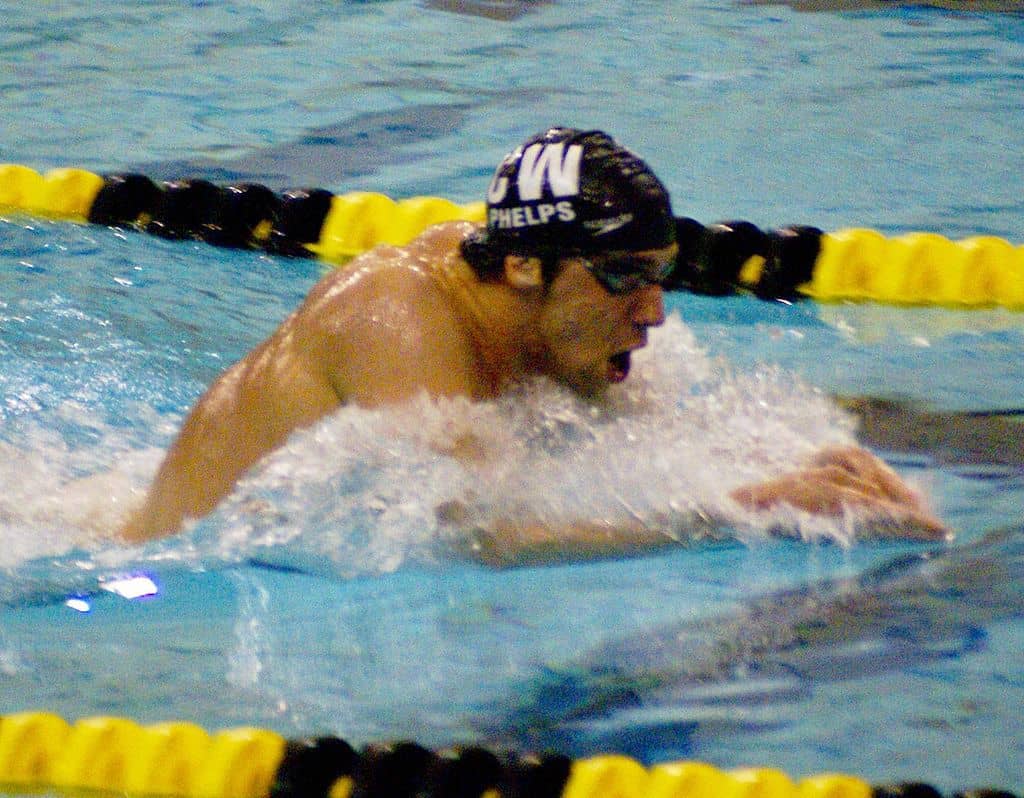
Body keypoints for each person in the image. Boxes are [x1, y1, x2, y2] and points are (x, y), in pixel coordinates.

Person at [120, 127, 948, 558]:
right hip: (159, 562)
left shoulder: (555, 324)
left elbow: (652, 446)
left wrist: (799, 472)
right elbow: (481, 536)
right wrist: (748, 511)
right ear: (523, 265)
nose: (654, 313)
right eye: (624, 276)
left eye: (661, 275)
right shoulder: (397, 316)